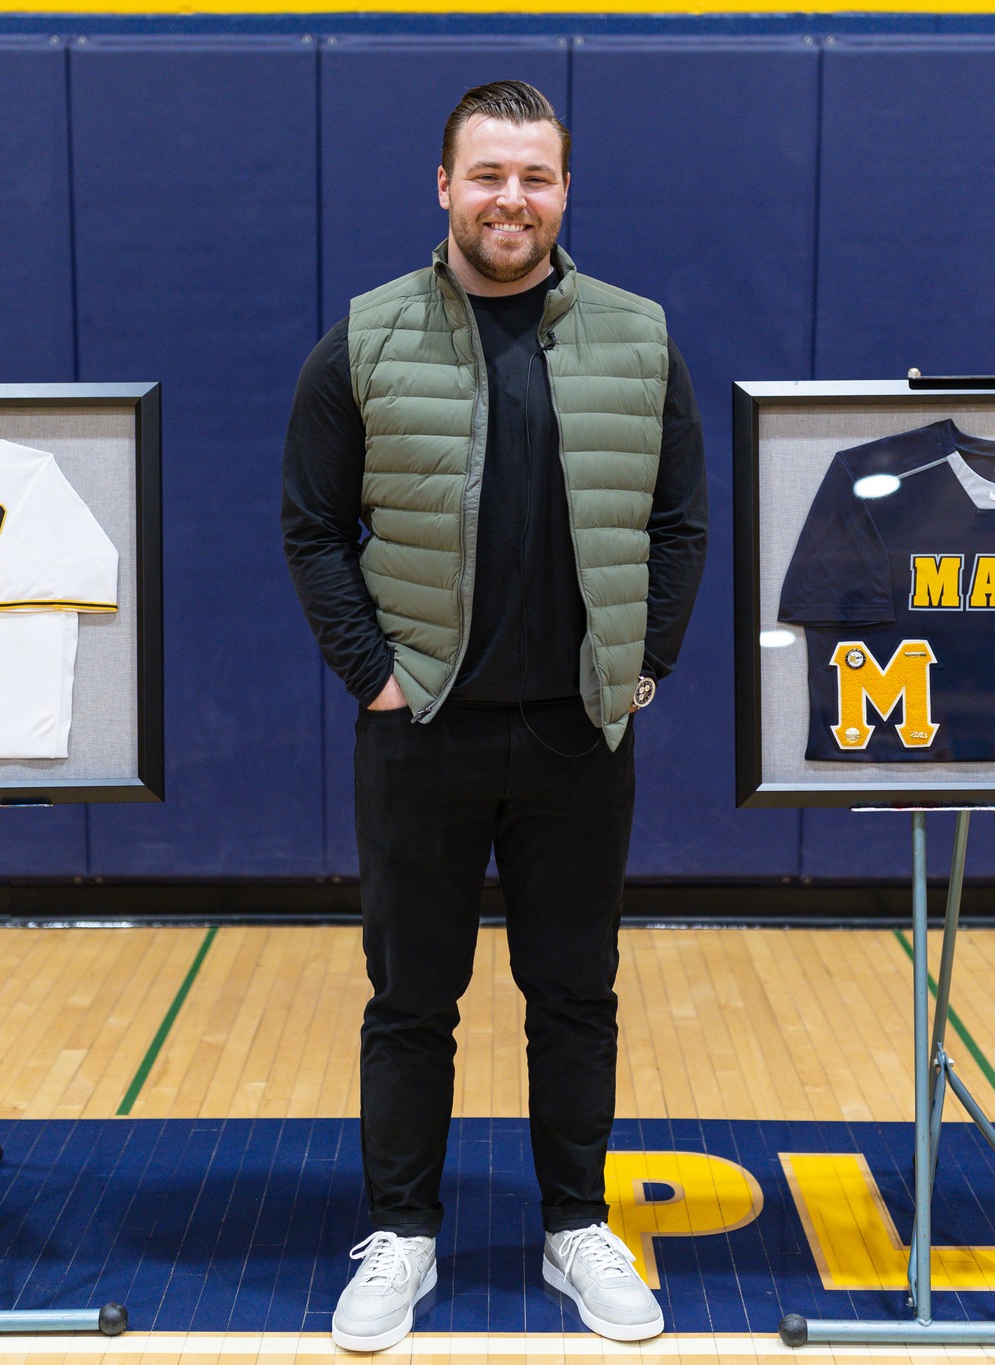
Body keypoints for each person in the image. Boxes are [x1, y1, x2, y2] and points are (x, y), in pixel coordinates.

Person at [281, 79, 708, 1352]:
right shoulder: (363, 338)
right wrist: (374, 672)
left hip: (579, 734)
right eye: (486, 176)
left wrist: (643, 667)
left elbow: (679, 521)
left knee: (573, 994)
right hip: (422, 732)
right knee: (412, 998)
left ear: (562, 191)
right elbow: (312, 530)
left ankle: (576, 1227)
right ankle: (401, 1236)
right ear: (444, 188)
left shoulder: (635, 335)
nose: (509, 200)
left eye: (533, 177)